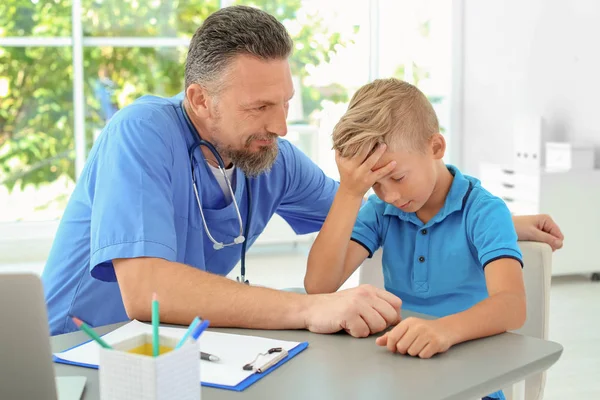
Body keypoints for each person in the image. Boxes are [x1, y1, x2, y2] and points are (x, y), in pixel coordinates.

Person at [42, 6, 563, 337]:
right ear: (200, 100)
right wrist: (309, 309)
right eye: (259, 107)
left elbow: (366, 203)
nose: (282, 126)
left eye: (285, 102)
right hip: (78, 353)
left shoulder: (267, 155)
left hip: (173, 350)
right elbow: (147, 292)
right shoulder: (141, 133)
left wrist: (485, 218)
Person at [304, 79, 530, 399]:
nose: (390, 194)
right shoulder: (381, 210)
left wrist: (444, 330)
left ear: (435, 147)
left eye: (397, 177)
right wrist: (350, 191)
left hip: (473, 383)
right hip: (400, 377)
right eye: (376, 183)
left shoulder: (484, 212)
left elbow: (512, 305)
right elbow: (319, 286)